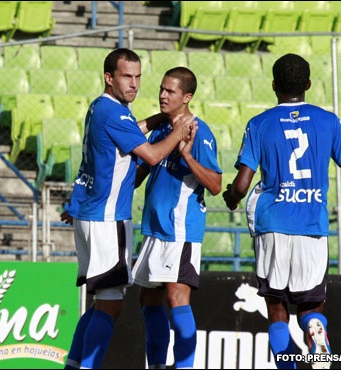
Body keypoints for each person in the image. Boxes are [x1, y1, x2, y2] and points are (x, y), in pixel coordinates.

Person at [222, 53, 341, 369]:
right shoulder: (329, 121)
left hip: (273, 224)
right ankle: (316, 337)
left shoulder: (259, 123)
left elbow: (242, 185)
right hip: (312, 226)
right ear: (309, 85)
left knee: (276, 309)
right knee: (312, 308)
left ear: (273, 85)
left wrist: (231, 197)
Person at [60, 48, 196, 369]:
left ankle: (73, 364)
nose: (134, 84)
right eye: (126, 76)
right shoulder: (116, 114)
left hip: (91, 215)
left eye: (137, 77)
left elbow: (128, 128)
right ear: (109, 77)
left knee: (98, 305)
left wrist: (159, 119)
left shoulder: (100, 107)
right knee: (110, 306)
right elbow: (150, 156)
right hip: (108, 220)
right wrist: (178, 130)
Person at [131, 66, 222, 369]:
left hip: (180, 229)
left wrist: (188, 157)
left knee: (176, 299)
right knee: (149, 302)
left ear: (187, 97)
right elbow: (139, 174)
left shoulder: (200, 131)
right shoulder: (162, 128)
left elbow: (216, 183)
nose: (162, 95)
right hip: (154, 230)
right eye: (161, 88)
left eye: (170, 91)